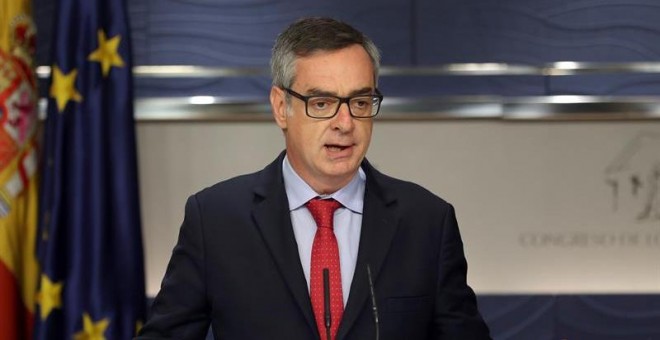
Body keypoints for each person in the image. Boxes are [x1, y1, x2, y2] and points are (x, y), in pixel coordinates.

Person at [137, 17, 491, 340]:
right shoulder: (214, 219)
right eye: (321, 103)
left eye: (360, 102)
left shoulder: (427, 221)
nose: (345, 123)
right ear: (281, 107)